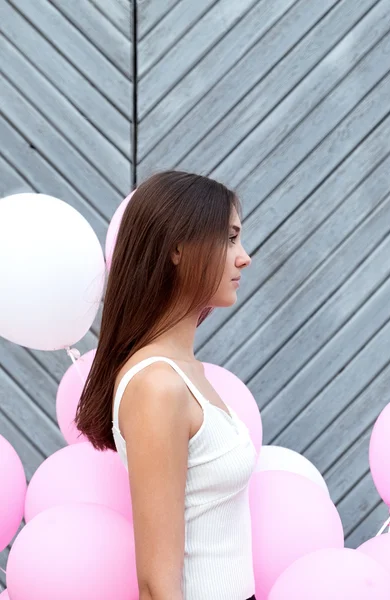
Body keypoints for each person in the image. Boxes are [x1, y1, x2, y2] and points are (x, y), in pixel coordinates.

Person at [75, 171, 257, 600]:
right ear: (177, 249)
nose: (245, 257)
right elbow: (157, 585)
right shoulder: (157, 385)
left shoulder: (185, 371)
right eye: (230, 238)